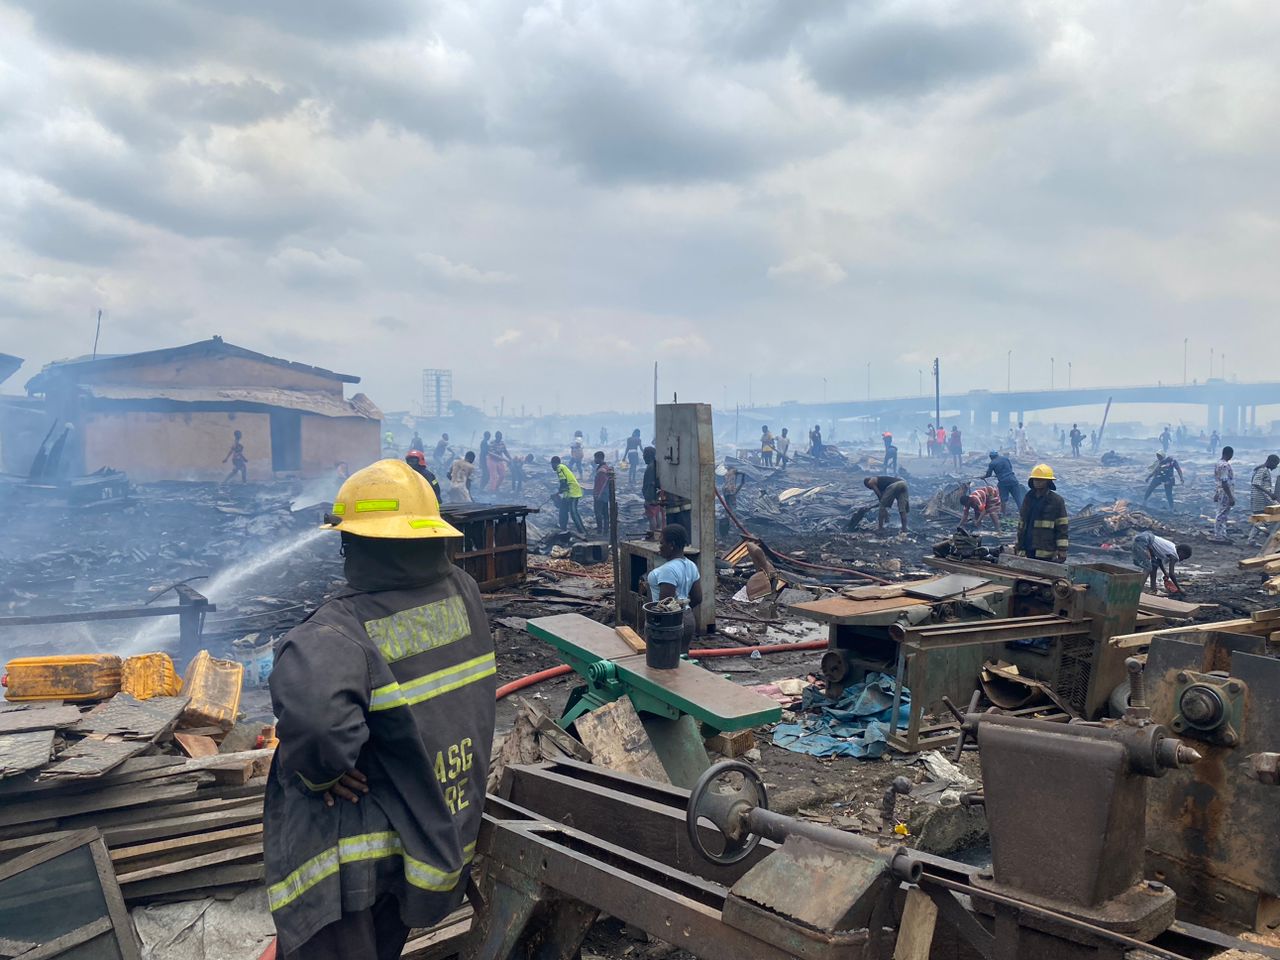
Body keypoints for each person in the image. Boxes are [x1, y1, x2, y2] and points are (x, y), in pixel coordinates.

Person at [265, 459, 494, 959]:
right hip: (436, 830)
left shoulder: (335, 634)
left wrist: (325, 774)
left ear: (355, 546)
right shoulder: (465, 595)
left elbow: (318, 731)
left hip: (357, 858)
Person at [645, 524, 703, 652]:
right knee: (681, 660)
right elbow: (698, 597)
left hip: (668, 623)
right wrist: (684, 609)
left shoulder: (668, 570)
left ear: (671, 545)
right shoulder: (691, 565)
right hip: (688, 619)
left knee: (663, 662)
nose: (659, 547)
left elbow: (665, 604)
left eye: (662, 543)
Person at [1017, 464, 1069, 562]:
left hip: (1046, 548)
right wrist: (1019, 545)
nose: (1037, 482)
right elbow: (1022, 523)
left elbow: (1062, 527)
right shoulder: (1028, 497)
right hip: (1028, 546)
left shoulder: (1056, 501)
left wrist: (1062, 550)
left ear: (1048, 482)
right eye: (1035, 479)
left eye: (1041, 480)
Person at [1248, 454, 1280, 544]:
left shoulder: (1264, 470)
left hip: (1263, 498)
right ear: (1271, 462)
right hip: (1261, 498)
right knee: (1270, 516)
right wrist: (1269, 493)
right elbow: (1256, 483)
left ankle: (1252, 539)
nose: (1276, 466)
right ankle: (1265, 530)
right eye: (1276, 464)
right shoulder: (1262, 470)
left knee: (1263, 518)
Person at [551, 455, 586, 535]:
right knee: (563, 510)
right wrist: (559, 492)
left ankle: (582, 531)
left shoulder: (559, 468)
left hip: (573, 492)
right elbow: (564, 484)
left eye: (552, 464)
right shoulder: (563, 467)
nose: (552, 467)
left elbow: (563, 483)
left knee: (574, 512)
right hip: (568, 494)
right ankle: (563, 528)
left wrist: (558, 492)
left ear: (554, 463)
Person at [1213, 446, 1236, 541]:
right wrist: (1230, 496)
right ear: (1229, 454)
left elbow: (1218, 480)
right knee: (1222, 514)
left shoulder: (1218, 463)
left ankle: (1222, 533)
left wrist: (1216, 493)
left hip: (1220, 491)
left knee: (1222, 513)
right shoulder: (1225, 465)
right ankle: (1219, 535)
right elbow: (1224, 482)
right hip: (1225, 492)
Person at [642, 446, 664, 537]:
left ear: (648, 455)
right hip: (657, 494)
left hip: (651, 495)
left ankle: (653, 534)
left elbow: (649, 484)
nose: (643, 457)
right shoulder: (656, 465)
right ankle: (658, 533)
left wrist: (647, 497)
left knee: (651, 516)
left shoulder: (650, 467)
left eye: (644, 455)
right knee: (658, 513)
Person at [591, 451, 613, 536]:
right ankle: (606, 531)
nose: (594, 460)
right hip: (605, 494)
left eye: (595, 458)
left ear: (599, 458)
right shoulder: (606, 467)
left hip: (600, 494)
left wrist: (598, 494)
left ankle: (600, 530)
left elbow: (602, 484)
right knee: (605, 513)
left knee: (598, 512)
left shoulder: (601, 470)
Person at [719, 464, 745, 536]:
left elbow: (739, 486)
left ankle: (728, 527)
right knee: (734, 511)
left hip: (727, 492)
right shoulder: (732, 472)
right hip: (730, 493)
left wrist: (742, 479)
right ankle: (734, 526)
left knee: (729, 509)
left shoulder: (727, 474)